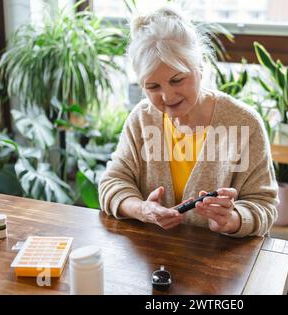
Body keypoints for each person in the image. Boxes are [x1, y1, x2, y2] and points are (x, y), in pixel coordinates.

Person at [98, 5, 278, 237]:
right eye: (153, 86)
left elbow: (264, 206)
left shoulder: (244, 124)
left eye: (177, 80)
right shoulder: (142, 119)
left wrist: (231, 219)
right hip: (152, 258)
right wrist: (142, 209)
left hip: (221, 262)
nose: (168, 97)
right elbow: (112, 182)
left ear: (201, 66)